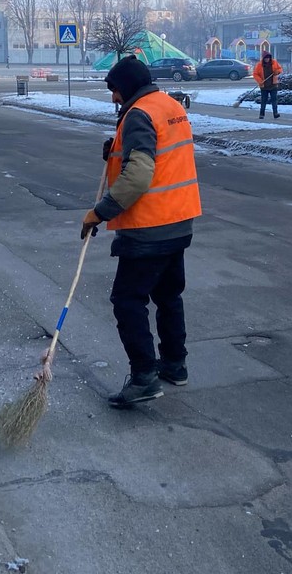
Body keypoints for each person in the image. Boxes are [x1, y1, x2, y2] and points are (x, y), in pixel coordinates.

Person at [81, 55, 201, 408]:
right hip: (179, 221)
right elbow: (161, 157)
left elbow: (139, 176)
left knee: (127, 300)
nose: (113, 97)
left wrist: (98, 214)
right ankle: (175, 364)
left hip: (150, 227)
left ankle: (144, 376)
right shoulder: (168, 105)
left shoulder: (138, 114)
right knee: (167, 296)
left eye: (115, 89)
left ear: (128, 86)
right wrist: (117, 151)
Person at [252, 51, 283, 118]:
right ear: (263, 58)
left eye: (268, 58)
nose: (267, 59)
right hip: (264, 86)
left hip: (273, 85)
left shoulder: (274, 62)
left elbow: (280, 69)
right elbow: (255, 74)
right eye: (265, 58)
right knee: (264, 100)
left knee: (274, 100)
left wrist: (277, 72)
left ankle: (275, 113)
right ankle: (261, 114)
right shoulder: (259, 65)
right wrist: (260, 80)